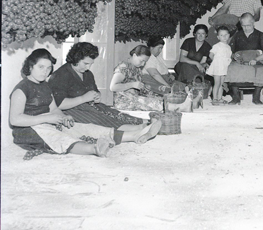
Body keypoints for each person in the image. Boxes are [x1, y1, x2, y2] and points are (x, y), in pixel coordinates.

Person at [10, 49, 162, 160]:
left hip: (49, 123)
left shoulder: (44, 85)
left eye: (48, 68)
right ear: (30, 66)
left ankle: (135, 135)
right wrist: (47, 119)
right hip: (28, 130)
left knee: (87, 128)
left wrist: (63, 117)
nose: (45, 71)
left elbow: (54, 109)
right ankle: (95, 149)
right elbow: (15, 120)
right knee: (60, 138)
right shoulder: (21, 89)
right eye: (41, 67)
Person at [49, 42, 147, 129]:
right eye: (85, 63)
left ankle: (144, 123)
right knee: (103, 120)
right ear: (76, 59)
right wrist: (83, 98)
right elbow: (58, 105)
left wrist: (97, 96)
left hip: (88, 106)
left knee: (115, 113)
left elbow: (95, 92)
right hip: (70, 112)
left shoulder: (88, 74)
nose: (88, 67)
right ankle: (136, 130)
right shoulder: (60, 75)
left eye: (91, 64)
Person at [226, 13, 263, 105]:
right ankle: (236, 97)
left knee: (261, 70)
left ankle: (256, 97)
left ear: (253, 23)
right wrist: (234, 56)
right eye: (243, 26)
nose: (246, 28)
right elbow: (229, 50)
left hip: (255, 59)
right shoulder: (237, 35)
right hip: (240, 60)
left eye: (248, 25)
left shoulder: (260, 35)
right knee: (231, 68)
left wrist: (256, 59)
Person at [110, 45, 165, 112]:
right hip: (123, 102)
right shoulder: (123, 67)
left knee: (161, 100)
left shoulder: (137, 68)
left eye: (145, 62)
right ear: (134, 55)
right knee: (158, 105)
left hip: (134, 99)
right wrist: (132, 84)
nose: (143, 64)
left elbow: (137, 87)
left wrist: (145, 88)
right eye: (142, 61)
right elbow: (113, 87)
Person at [206, 26, 232, 105]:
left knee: (221, 84)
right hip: (218, 67)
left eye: (226, 35)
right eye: (221, 35)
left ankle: (220, 98)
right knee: (217, 83)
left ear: (229, 35)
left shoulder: (228, 47)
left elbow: (228, 57)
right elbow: (211, 55)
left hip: (224, 67)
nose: (224, 37)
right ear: (218, 37)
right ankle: (215, 99)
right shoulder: (217, 46)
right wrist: (216, 62)